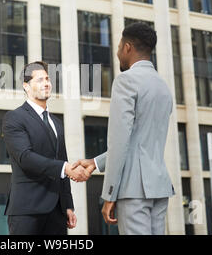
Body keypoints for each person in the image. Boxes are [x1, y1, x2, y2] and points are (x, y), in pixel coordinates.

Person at [72, 22, 176, 235]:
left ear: (128, 47)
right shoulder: (163, 87)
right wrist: (95, 162)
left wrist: (110, 194)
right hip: (158, 187)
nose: (118, 53)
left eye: (119, 47)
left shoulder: (126, 81)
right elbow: (139, 141)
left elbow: (120, 142)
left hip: (133, 189)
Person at [2, 61, 89, 235]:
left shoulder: (56, 123)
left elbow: (62, 163)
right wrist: (65, 168)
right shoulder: (14, 118)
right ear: (26, 86)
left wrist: (68, 205)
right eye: (40, 80)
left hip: (57, 211)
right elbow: (25, 158)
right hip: (27, 210)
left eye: (48, 79)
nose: (47, 83)